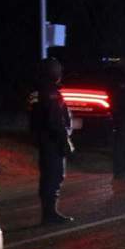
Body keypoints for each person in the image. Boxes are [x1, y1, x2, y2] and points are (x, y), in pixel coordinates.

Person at [30, 57, 74, 224]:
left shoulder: (38, 90)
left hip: (44, 139)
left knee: (49, 176)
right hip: (52, 140)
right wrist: (65, 141)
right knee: (53, 176)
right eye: (58, 69)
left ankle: (49, 212)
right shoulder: (49, 92)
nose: (60, 73)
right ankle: (50, 214)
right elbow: (55, 121)